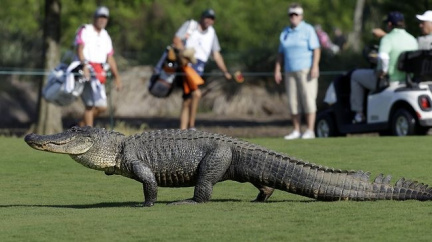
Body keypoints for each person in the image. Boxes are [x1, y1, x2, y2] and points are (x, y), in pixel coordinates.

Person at [350, 11, 418, 123]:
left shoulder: (387, 39)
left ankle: (359, 114)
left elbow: (383, 57)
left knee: (355, 75)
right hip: (407, 80)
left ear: (390, 24)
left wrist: (382, 71)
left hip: (389, 80)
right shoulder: (412, 39)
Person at [172, 8, 232, 130]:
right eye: (207, 17)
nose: (209, 20)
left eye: (211, 18)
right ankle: (191, 127)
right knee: (197, 94)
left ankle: (183, 131)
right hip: (186, 66)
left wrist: (225, 71)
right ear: (202, 17)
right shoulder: (190, 26)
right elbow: (176, 40)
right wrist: (185, 52)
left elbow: (216, 54)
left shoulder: (212, 33)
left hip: (199, 69)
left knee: (187, 100)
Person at [274, 3, 321, 140]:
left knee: (308, 99)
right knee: (293, 102)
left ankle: (310, 130)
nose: (293, 17)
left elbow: (316, 49)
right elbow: (280, 53)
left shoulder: (308, 29)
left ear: (301, 16)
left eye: (296, 14)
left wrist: (315, 66)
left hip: (306, 70)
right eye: (291, 14)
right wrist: (277, 69)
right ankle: (296, 130)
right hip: (289, 70)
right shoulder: (285, 32)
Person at [74, 6, 122, 127]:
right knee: (90, 105)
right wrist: (84, 65)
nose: (102, 20)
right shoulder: (85, 30)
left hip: (99, 74)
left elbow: (110, 58)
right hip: (85, 72)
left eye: (105, 17)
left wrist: (117, 77)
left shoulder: (106, 35)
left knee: (102, 107)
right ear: (95, 18)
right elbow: (79, 49)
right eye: (100, 17)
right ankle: (88, 135)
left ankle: (81, 126)